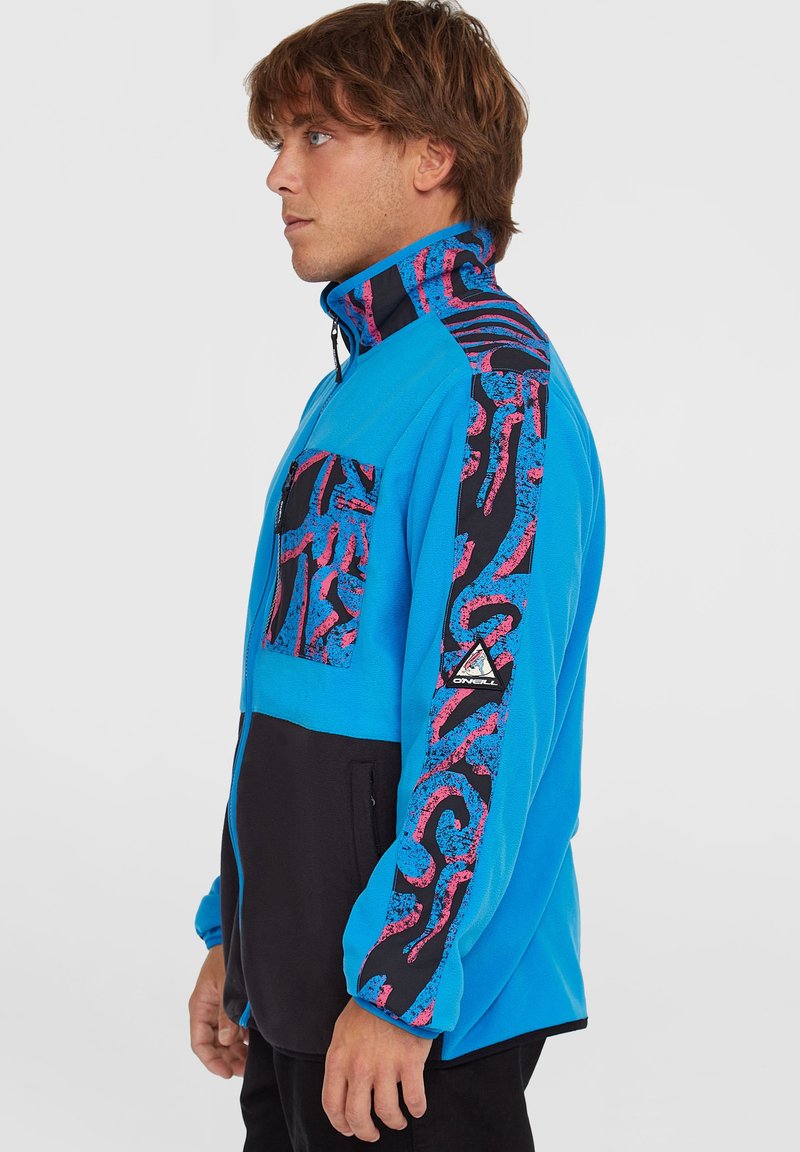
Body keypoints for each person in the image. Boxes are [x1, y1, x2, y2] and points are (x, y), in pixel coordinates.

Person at [188, 2, 606, 1148]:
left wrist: (399, 982)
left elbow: (485, 706)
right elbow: (293, 692)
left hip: (413, 1011)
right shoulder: (359, 382)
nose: (280, 175)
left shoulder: (493, 393)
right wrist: (235, 930)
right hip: (300, 973)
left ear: (433, 158)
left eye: (318, 135)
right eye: (280, 140)